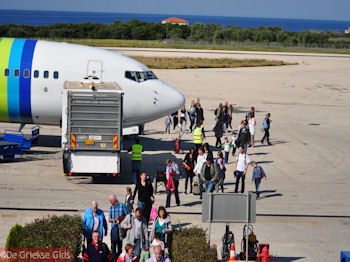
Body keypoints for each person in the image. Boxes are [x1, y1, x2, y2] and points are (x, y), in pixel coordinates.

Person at [109, 194, 129, 260]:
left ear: (113, 200)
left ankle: (120, 260)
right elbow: (109, 219)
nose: (110, 202)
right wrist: (112, 220)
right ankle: (115, 260)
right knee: (113, 246)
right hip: (114, 229)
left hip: (121, 229)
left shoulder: (122, 206)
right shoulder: (111, 207)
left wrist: (120, 220)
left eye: (110, 201)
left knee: (120, 246)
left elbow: (128, 216)